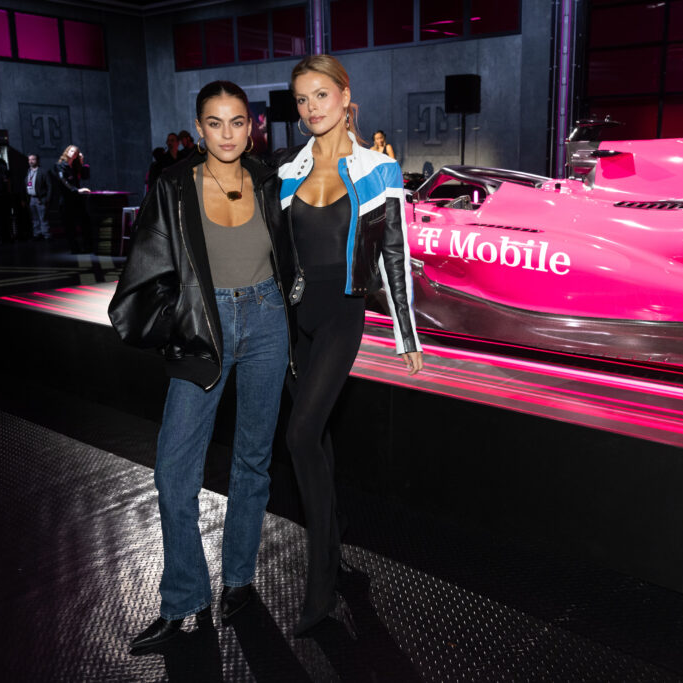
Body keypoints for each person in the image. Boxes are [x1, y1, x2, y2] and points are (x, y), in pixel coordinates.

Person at [108, 80, 295, 656]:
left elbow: (288, 252)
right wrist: (181, 319)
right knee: (173, 474)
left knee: (252, 461)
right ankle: (184, 598)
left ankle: (238, 578)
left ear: (252, 126)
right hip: (203, 332)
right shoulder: (172, 185)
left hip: (266, 322)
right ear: (199, 126)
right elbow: (147, 268)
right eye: (215, 123)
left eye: (237, 122)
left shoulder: (267, 180)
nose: (228, 134)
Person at [278, 54, 423, 636]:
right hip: (296, 319)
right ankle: (335, 537)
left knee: (301, 433)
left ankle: (321, 580)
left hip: (342, 314)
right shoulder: (288, 173)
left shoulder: (376, 169)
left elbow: (392, 255)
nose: (312, 108)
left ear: (344, 96)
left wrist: (407, 333)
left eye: (320, 95)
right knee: (321, 438)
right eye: (301, 100)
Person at [54, 144, 92, 253]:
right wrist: (76, 190)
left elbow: (85, 176)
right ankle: (75, 248)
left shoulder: (74, 167)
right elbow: (63, 181)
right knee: (70, 226)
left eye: (75, 153)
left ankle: (87, 247)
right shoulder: (60, 165)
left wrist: (81, 161)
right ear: (66, 152)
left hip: (77, 200)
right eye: (71, 151)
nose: (73, 154)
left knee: (85, 223)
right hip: (67, 200)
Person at [23, 154, 53, 240]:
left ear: (37, 161)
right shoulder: (28, 171)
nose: (31, 161)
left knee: (43, 218)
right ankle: (37, 234)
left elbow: (50, 186)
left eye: (33, 159)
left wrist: (47, 199)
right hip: (31, 198)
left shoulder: (43, 171)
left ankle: (46, 235)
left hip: (41, 199)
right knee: (34, 218)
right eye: (29, 160)